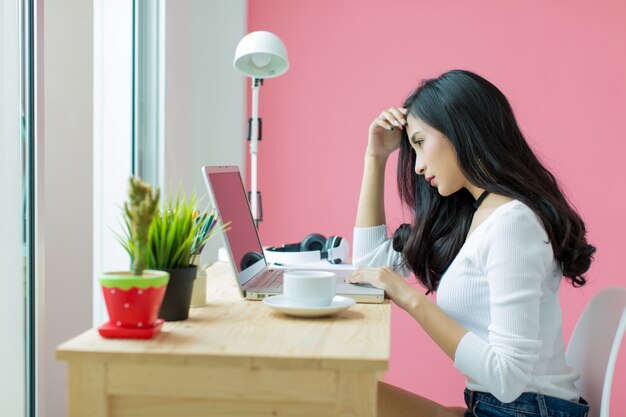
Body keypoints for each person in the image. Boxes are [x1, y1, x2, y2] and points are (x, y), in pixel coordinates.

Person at [348, 69, 595, 417]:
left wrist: (408, 298)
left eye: (419, 142)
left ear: (459, 128)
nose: (417, 167)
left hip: (523, 410)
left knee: (341, 397)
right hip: (499, 407)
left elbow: (507, 379)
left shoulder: (513, 223)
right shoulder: (471, 214)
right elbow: (367, 271)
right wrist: (375, 159)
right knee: (342, 394)